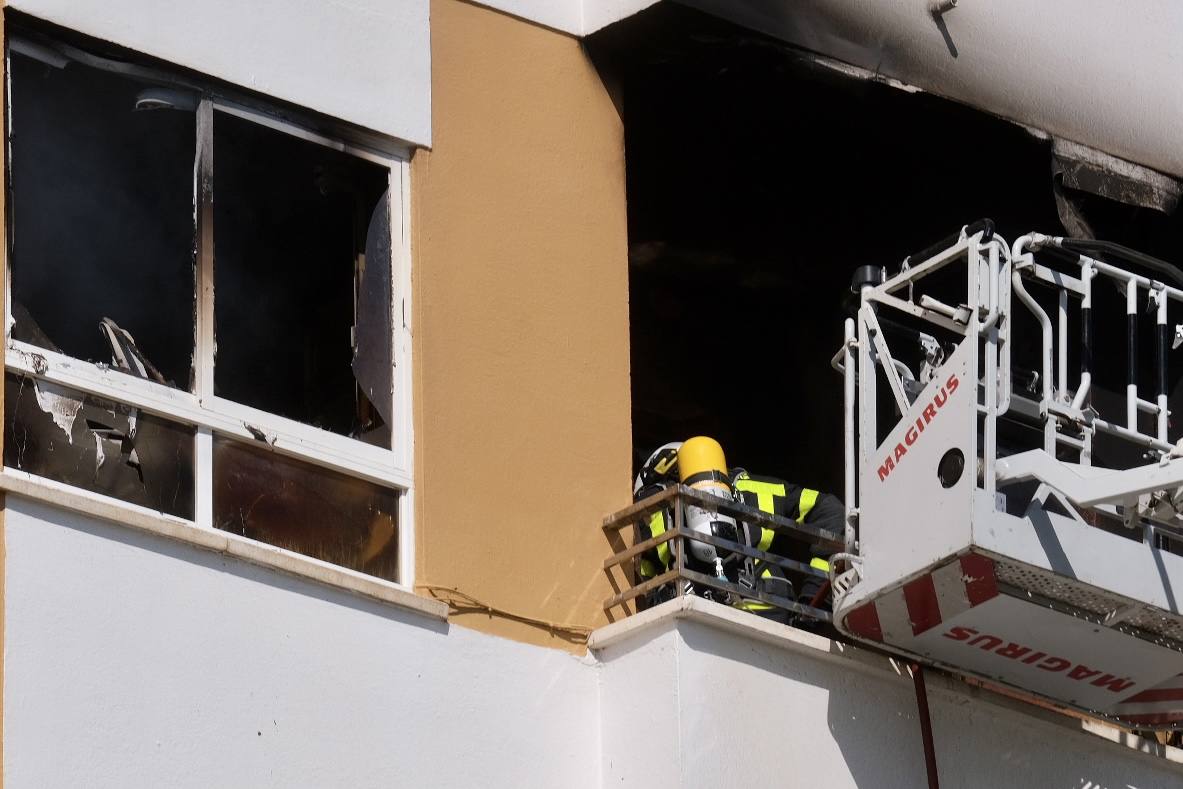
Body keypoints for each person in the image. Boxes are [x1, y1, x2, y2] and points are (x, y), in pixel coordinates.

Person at [632, 439, 843, 624]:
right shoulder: (746, 491)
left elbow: (646, 587)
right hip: (765, 610)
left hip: (693, 623)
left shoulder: (650, 525)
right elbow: (830, 511)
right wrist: (815, 597)